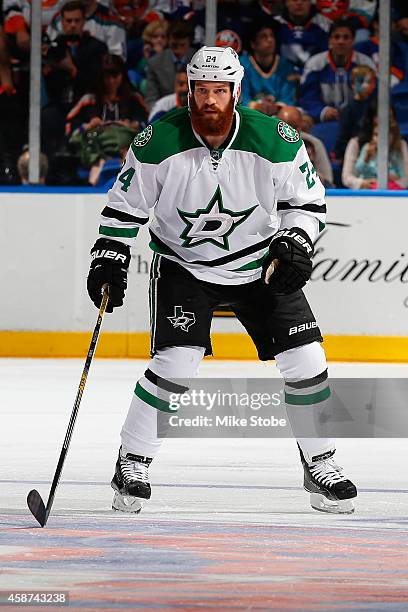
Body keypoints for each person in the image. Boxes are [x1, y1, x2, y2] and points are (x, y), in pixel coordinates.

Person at [86, 45, 357, 516]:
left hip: (259, 265)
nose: (210, 100)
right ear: (187, 91)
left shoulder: (277, 139)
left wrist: (295, 240)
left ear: (236, 92)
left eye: (220, 91)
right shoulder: (157, 143)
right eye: (201, 90)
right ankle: (132, 461)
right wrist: (109, 253)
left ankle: (321, 463)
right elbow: (125, 206)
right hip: (184, 266)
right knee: (177, 363)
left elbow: (309, 203)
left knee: (307, 359)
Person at [66, 54, 147, 184]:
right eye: (107, 77)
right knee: (97, 169)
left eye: (115, 76)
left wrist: (134, 125)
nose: (111, 82)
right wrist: (87, 126)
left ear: (122, 75)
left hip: (127, 153)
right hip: (96, 154)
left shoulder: (134, 100)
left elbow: (148, 126)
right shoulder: (88, 101)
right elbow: (70, 128)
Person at [42, 0, 108, 158]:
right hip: (60, 104)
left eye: (77, 21)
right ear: (62, 22)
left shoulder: (97, 47)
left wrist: (71, 69)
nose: (72, 25)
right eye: (68, 21)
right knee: (47, 115)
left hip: (87, 105)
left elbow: (95, 84)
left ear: (84, 21)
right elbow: (50, 87)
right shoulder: (55, 48)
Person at [300, 17, 375, 122]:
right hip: (321, 119)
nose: (341, 41)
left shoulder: (365, 64)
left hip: (358, 118)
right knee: (303, 121)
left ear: (353, 40)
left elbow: (373, 96)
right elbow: (307, 98)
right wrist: (323, 111)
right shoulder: (315, 64)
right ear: (329, 40)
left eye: (346, 37)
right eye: (336, 37)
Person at [342, 105, 408, 190]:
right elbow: (352, 174)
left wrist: (391, 183)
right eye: (376, 134)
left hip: (391, 191)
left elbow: (404, 177)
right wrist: (363, 182)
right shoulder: (363, 146)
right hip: (365, 192)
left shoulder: (398, 148)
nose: (380, 138)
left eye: (389, 117)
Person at [240, 21, 297, 112]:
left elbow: (288, 98)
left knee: (291, 114)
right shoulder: (241, 65)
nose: (270, 40)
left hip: (279, 114)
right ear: (253, 44)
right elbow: (241, 98)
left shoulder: (286, 66)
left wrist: (276, 107)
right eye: (263, 36)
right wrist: (258, 106)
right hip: (251, 114)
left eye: (272, 36)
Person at [48, 0, 127, 60]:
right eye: (69, 21)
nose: (73, 25)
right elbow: (47, 51)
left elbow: (117, 61)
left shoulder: (112, 23)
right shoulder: (59, 19)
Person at [277, 105, 333, 185]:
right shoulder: (268, 144)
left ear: (300, 126)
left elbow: (327, 179)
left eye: (294, 127)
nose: (289, 131)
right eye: (285, 127)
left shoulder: (314, 144)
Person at [144, 20, 194, 109]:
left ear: (189, 42)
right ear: (168, 41)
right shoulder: (155, 63)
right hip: (165, 113)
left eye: (182, 45)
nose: (178, 49)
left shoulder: (199, 61)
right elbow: (151, 99)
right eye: (174, 45)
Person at [333, 64, 376, 161]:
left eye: (369, 82)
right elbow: (343, 136)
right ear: (352, 84)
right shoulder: (348, 109)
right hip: (354, 152)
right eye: (360, 81)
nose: (365, 85)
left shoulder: (377, 105)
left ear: (374, 84)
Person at [273, 0, 331, 72]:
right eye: (295, 0)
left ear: (310, 2)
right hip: (280, 77)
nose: (299, 3)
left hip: (315, 77)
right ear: (286, 2)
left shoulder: (326, 25)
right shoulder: (273, 25)